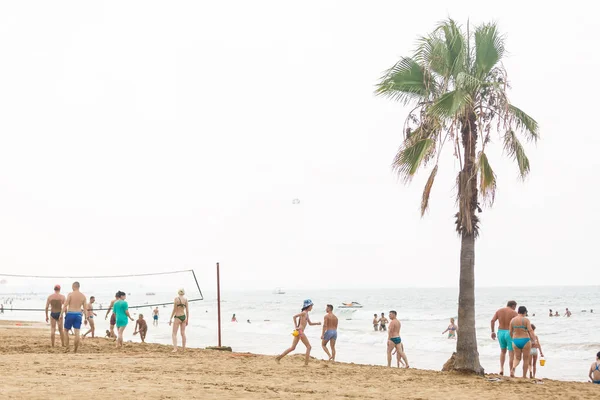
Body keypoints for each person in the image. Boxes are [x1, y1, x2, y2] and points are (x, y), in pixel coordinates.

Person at [275, 299, 321, 365]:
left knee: (293, 348)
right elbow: (294, 317)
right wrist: (296, 326)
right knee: (309, 347)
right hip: (300, 331)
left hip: (299, 332)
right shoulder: (304, 312)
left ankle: (278, 358)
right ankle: (306, 364)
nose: (312, 307)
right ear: (308, 306)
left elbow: (310, 323)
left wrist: (317, 323)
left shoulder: (306, 314)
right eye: (311, 306)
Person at [490, 300, 518, 375]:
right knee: (511, 352)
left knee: (503, 351)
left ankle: (501, 368)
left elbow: (492, 321)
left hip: (501, 332)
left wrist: (493, 331)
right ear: (513, 306)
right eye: (515, 307)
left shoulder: (499, 311)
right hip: (509, 332)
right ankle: (511, 371)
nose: (515, 308)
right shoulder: (514, 313)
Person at [509, 306, 536, 378]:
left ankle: (513, 367)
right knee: (526, 359)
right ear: (524, 312)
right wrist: (534, 340)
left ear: (518, 312)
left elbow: (510, 332)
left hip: (515, 340)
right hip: (525, 340)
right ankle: (524, 376)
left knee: (517, 358)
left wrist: (512, 339)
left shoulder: (512, 320)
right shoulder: (526, 320)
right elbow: (530, 331)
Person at [62, 281, 88, 353]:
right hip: (78, 314)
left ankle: (67, 348)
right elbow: (85, 309)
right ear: (79, 287)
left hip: (70, 313)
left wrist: (61, 314)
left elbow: (65, 305)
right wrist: (86, 318)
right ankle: (75, 350)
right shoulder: (83, 296)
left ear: (73, 286)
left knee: (66, 330)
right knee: (77, 332)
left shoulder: (70, 294)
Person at [169, 288, 189, 353]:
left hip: (178, 317)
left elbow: (174, 309)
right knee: (183, 333)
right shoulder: (185, 299)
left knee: (174, 333)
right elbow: (187, 311)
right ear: (183, 293)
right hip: (184, 317)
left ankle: (175, 349)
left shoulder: (176, 299)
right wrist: (187, 319)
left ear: (178, 293)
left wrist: (170, 318)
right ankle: (183, 349)